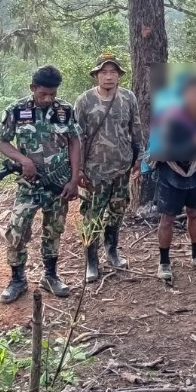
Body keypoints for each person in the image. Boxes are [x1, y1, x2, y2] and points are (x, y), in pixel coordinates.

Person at [0, 65, 81, 303]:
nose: (48, 99)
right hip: (29, 185)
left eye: (53, 94)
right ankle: (17, 279)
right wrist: (24, 160)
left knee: (54, 230)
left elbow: (74, 142)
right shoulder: (16, 110)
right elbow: (1, 142)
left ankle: (50, 276)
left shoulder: (65, 110)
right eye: (43, 93)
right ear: (33, 88)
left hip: (59, 183)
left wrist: (74, 179)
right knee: (17, 229)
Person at [74, 53, 143, 283]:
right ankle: (91, 260)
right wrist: (78, 170)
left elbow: (135, 129)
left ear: (119, 75)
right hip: (94, 172)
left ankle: (112, 251)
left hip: (122, 168)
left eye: (113, 72)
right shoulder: (84, 101)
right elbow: (77, 138)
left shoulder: (128, 98)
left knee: (117, 212)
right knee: (92, 216)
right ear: (96, 75)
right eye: (104, 72)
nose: (109, 76)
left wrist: (139, 158)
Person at [150, 73, 196, 282]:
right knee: (167, 218)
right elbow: (158, 149)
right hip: (171, 173)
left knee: (194, 213)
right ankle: (164, 261)